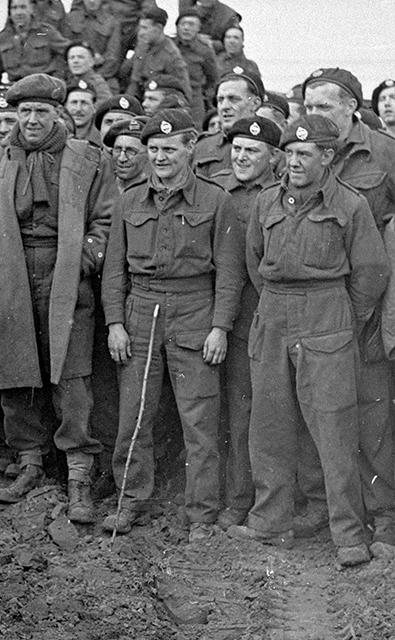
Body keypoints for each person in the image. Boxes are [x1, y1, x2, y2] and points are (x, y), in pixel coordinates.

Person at [0, 73, 116, 523]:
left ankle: (78, 473)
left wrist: (82, 263)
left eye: (41, 112)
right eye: (23, 111)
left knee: (72, 374)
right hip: (10, 275)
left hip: (67, 275)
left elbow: (106, 220)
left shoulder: (87, 160)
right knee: (15, 370)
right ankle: (28, 462)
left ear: (58, 114)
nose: (31, 120)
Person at [229, 115, 388, 568]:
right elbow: (256, 260)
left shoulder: (352, 205)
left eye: (305, 154)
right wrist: (281, 307)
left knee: (335, 428)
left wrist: (341, 319)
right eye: (290, 153)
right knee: (269, 423)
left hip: (327, 314)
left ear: (328, 157)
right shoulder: (266, 202)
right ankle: (270, 522)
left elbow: (371, 272)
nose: (294, 162)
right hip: (274, 313)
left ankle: (349, 535)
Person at [100, 108, 239, 542]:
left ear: (189, 147)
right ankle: (129, 501)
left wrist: (220, 327)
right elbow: (114, 272)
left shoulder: (216, 200)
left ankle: (201, 513)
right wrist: (115, 323)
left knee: (198, 419)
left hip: (195, 309)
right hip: (141, 311)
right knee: (134, 414)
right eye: (153, 149)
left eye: (168, 149)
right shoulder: (129, 200)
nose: (159, 157)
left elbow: (230, 273)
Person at [296, 68, 395, 555]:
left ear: (352, 107)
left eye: (325, 106)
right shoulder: (305, 153)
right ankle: (329, 506)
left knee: (374, 411)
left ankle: (385, 513)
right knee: (323, 409)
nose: (314, 116)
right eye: (308, 107)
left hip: (374, 304)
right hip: (321, 308)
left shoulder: (385, 153)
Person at [209, 116, 280, 531]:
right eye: (236, 148)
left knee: (270, 415)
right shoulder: (218, 190)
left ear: (274, 156)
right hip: (225, 317)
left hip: (266, 314)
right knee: (236, 412)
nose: (241, 157)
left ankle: (271, 502)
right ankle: (237, 497)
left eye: (251, 150)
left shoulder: (279, 194)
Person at [0, 0, 70, 98]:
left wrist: (60, 77)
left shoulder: (45, 32)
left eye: (23, 7)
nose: (18, 13)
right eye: (14, 8)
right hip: (15, 90)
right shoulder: (3, 37)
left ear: (32, 8)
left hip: (43, 90)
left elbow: (70, 51)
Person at [192, 67, 264, 177]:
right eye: (220, 100)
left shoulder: (270, 145)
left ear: (255, 103)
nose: (224, 107)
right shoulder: (203, 146)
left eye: (234, 99)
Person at [126, 8, 191, 103]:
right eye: (140, 28)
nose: (140, 33)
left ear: (159, 28)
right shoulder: (142, 46)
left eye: (145, 28)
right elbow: (134, 81)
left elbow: (184, 93)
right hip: (138, 99)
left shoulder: (171, 55)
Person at [174, 8, 218, 129]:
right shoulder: (170, 46)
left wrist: (205, 98)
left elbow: (213, 79)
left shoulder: (205, 51)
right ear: (177, 27)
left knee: (195, 130)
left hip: (194, 99)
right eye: (183, 24)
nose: (186, 28)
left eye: (191, 24)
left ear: (198, 28)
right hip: (171, 94)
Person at [66, 0, 123, 87]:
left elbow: (113, 57)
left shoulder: (112, 23)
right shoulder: (71, 19)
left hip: (101, 75)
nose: (92, 1)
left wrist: (95, 78)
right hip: (72, 75)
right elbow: (64, 50)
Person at [103, 117, 147, 191]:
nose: (122, 158)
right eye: (118, 149)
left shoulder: (151, 191)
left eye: (131, 151)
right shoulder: (102, 186)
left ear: (147, 155)